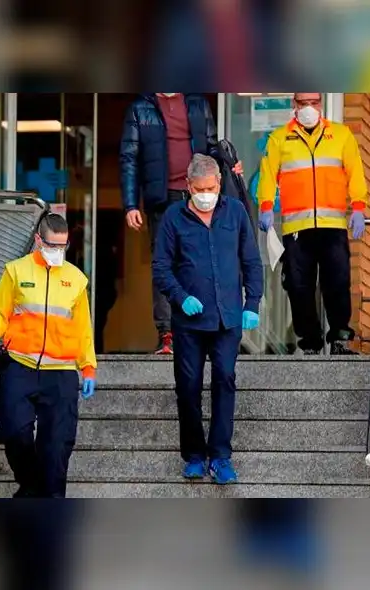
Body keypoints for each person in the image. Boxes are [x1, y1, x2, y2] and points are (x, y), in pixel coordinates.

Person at [152, 154, 264, 484]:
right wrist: (179, 296)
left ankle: (220, 456)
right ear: (188, 187)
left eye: (211, 188)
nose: (205, 194)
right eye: (199, 188)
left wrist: (252, 303)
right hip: (188, 323)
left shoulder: (235, 212)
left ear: (219, 184)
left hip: (227, 318)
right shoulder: (174, 218)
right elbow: (160, 267)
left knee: (225, 379)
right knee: (187, 387)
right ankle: (195, 456)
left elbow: (251, 261)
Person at [0, 213, 96, 498]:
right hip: (20, 365)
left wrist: (88, 367)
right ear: (38, 240)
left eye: (63, 246)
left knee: (56, 448)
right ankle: (32, 487)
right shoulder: (16, 272)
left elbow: (83, 329)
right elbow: (0, 311)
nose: (57, 252)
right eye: (52, 245)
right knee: (13, 432)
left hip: (61, 372)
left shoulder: (76, 280)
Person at [120, 93, 245, 354]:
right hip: (162, 198)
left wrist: (228, 164)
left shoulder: (197, 103)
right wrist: (131, 204)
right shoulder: (140, 108)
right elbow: (129, 158)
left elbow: (211, 148)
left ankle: (208, 328)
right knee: (164, 263)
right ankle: (167, 333)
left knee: (204, 261)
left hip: (198, 195)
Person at [256, 92, 368, 355]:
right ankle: (310, 343)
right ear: (294, 105)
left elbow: (355, 171)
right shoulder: (279, 138)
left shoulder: (341, 135)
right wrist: (265, 206)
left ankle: (340, 336)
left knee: (338, 282)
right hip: (297, 228)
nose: (308, 107)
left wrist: (359, 206)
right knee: (298, 286)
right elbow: (268, 174)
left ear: (321, 104)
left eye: (313, 102)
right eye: (303, 103)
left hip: (333, 225)